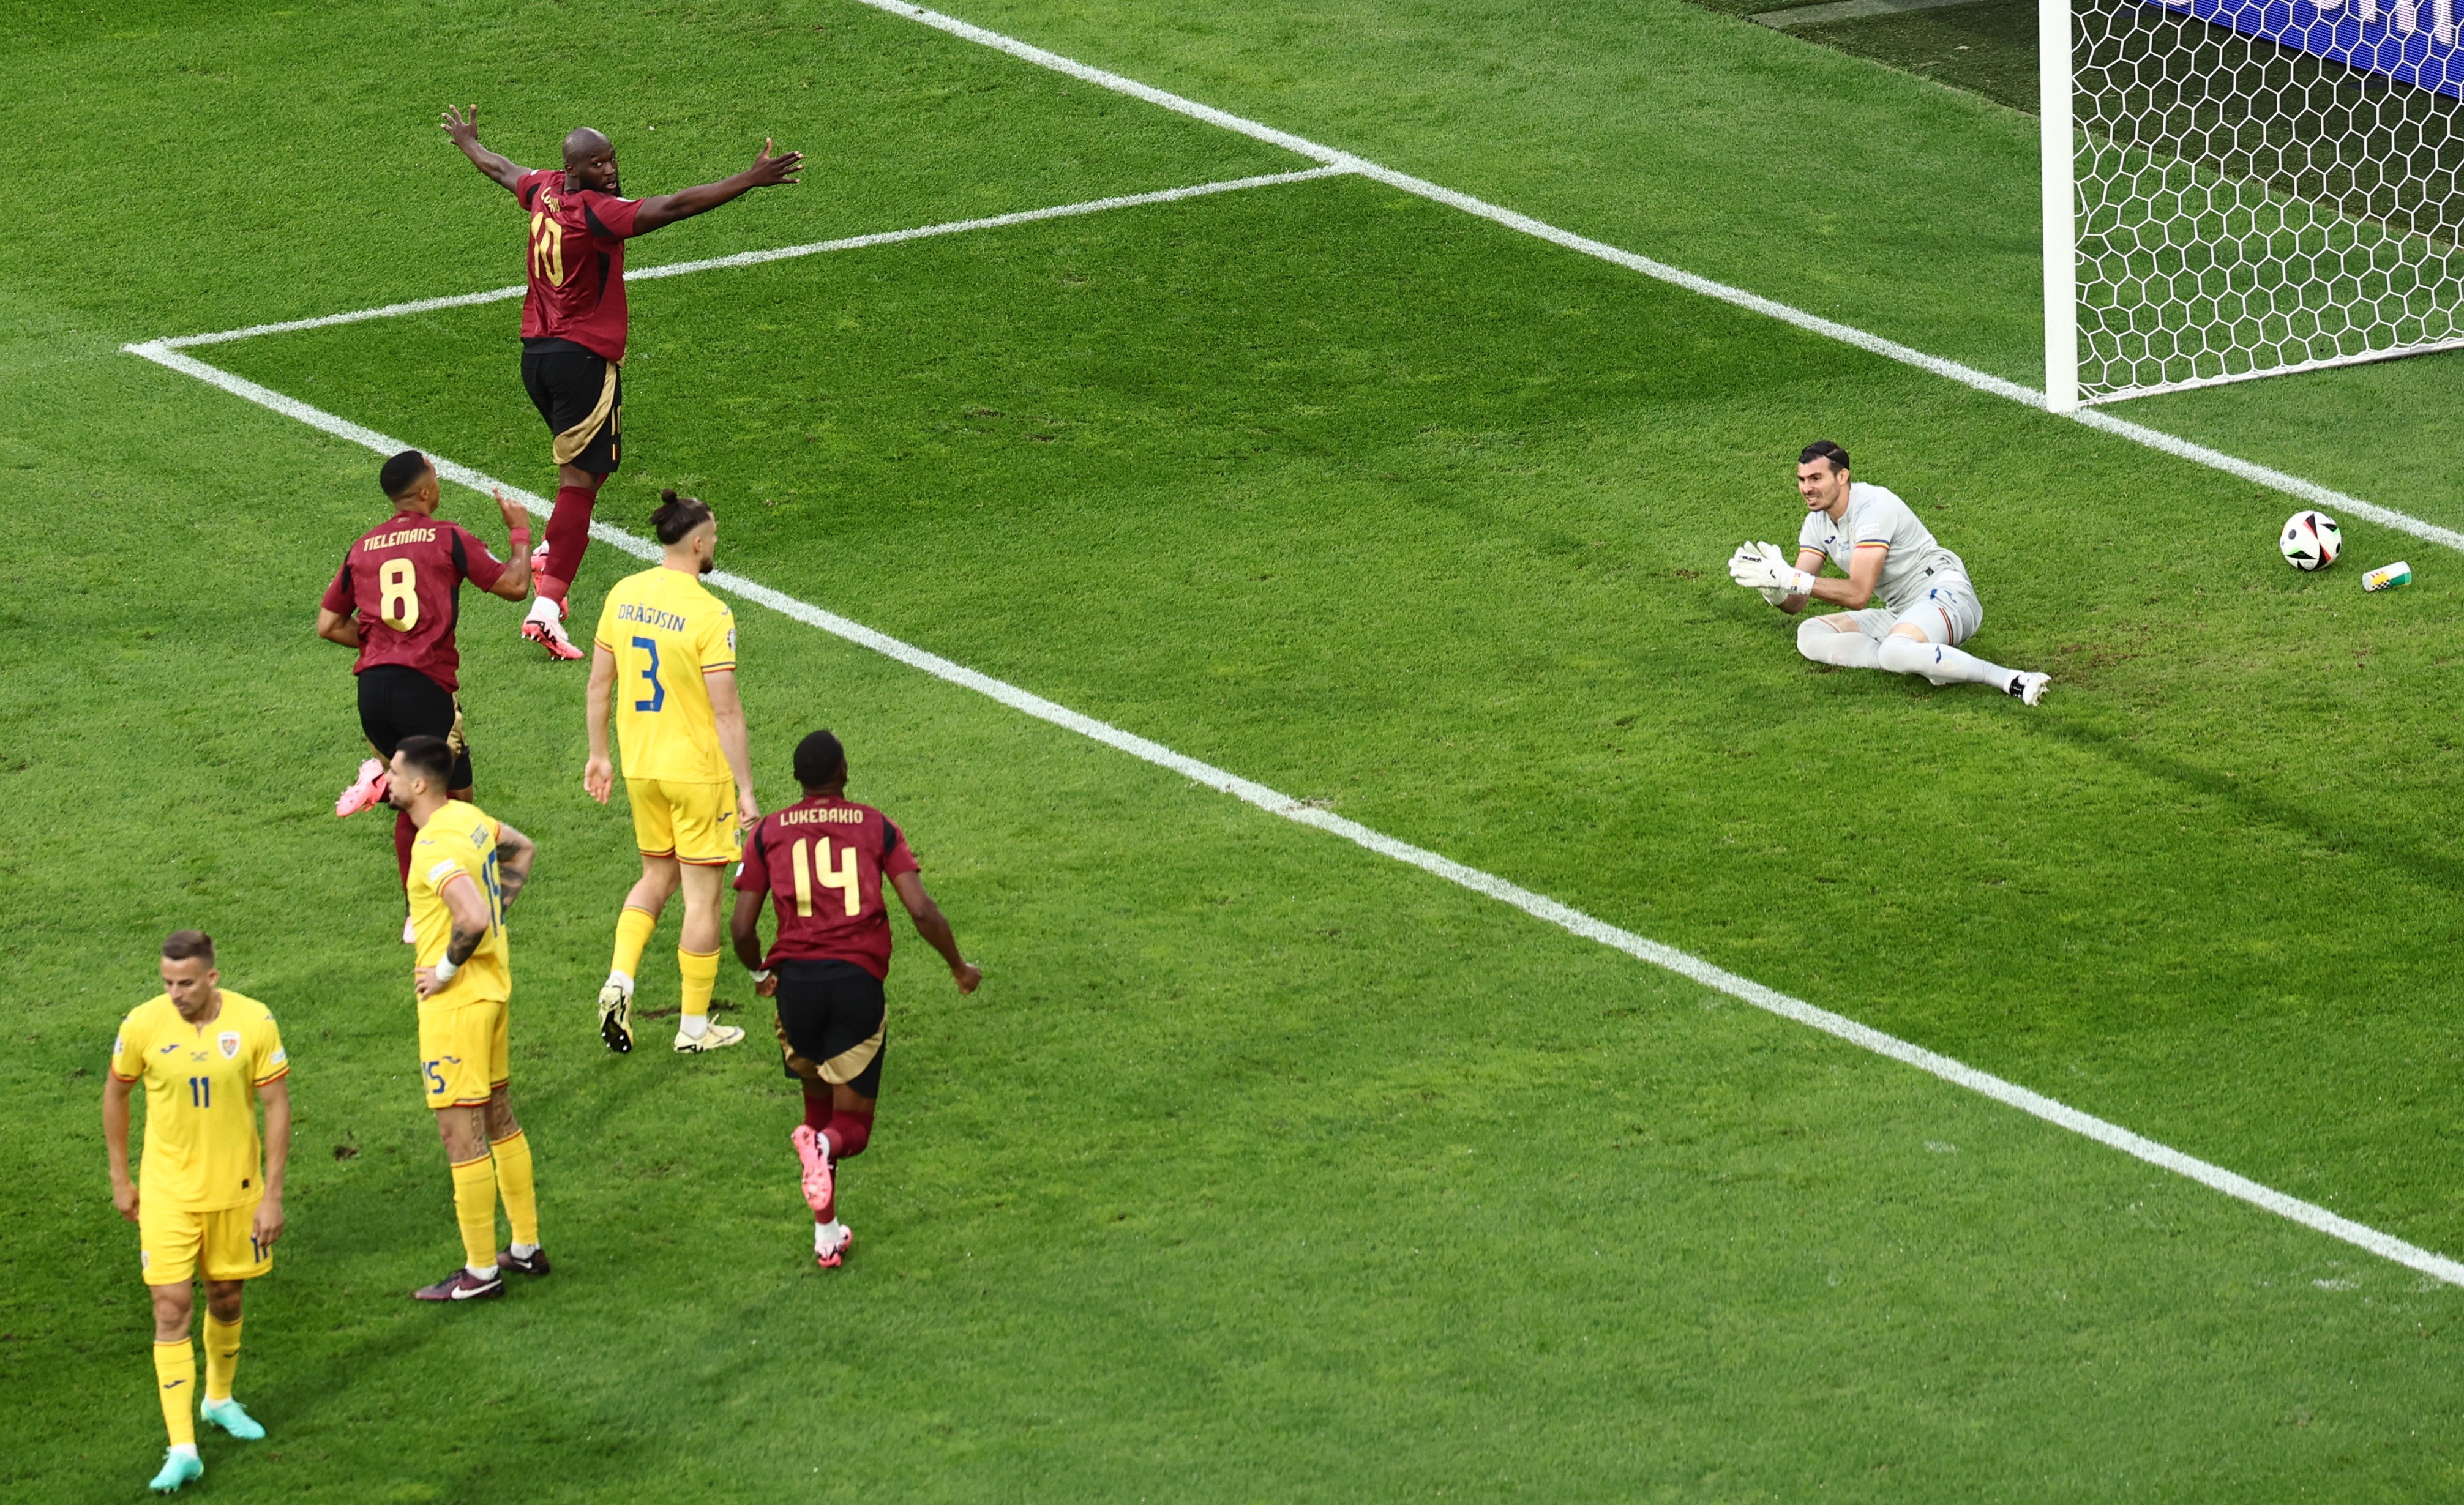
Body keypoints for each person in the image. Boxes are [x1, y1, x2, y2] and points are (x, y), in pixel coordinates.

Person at [439, 105, 802, 659]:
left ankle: (549, 552)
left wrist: (467, 143)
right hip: (581, 360)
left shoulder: (543, 190)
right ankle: (546, 610)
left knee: (586, 471)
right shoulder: (596, 214)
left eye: (612, 159)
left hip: (537, 356)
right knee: (579, 486)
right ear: (577, 169)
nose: (610, 170)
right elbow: (675, 206)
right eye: (598, 163)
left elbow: (502, 169)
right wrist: (749, 180)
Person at [730, 730, 980, 1269]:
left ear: (797, 779)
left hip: (795, 989)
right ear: (844, 770)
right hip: (854, 985)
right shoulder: (874, 825)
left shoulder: (768, 831)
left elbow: (742, 925)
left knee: (817, 1110)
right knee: (851, 1132)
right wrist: (959, 967)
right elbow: (921, 910)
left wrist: (757, 972)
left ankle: (826, 1235)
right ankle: (820, 1150)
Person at [103, 930, 291, 1495]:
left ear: (212, 977)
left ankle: (220, 1399)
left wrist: (272, 1193)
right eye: (166, 982)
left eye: (185, 983)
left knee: (227, 1295)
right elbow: (116, 1093)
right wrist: (120, 1176)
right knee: (171, 1306)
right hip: (167, 1193)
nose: (175, 993)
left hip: (235, 1191)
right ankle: (182, 1447)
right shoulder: (143, 1024)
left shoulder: (255, 1021)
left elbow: (277, 1104)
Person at [320, 450, 533, 943]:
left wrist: (379, 644)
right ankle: (435, 904)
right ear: (424, 491)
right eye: (435, 477)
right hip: (424, 688)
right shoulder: (446, 537)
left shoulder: (363, 547)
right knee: (443, 800)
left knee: (428, 795)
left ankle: (421, 904)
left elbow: (328, 625)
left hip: (372, 693)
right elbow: (517, 585)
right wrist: (519, 533)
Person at [586, 490, 760, 1056]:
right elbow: (727, 710)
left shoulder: (623, 593)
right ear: (699, 542)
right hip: (696, 774)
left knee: (654, 876)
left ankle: (620, 979)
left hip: (640, 766)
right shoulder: (711, 613)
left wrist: (599, 755)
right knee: (702, 900)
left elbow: (598, 685)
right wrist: (747, 789)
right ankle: (692, 1028)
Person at [389, 735, 547, 1302]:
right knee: (500, 1116)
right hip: (495, 992)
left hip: (457, 1006)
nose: (385, 780)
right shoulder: (469, 817)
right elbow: (523, 849)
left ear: (418, 784)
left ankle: (481, 1272)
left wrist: (446, 968)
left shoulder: (432, 846)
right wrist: (498, 915)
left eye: (393, 772)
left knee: (461, 1132)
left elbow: (472, 915)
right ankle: (525, 1246)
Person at [1728, 441, 2050, 705]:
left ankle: (2011, 679)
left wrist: (1790, 578)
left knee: (1895, 651)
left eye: (1815, 479)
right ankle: (1919, 657)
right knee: (1810, 636)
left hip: (1946, 596)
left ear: (1842, 477)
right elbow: (1797, 602)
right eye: (1801, 480)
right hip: (1901, 611)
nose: (1806, 489)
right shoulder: (1817, 523)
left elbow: (1858, 594)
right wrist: (1776, 589)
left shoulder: (1873, 507)